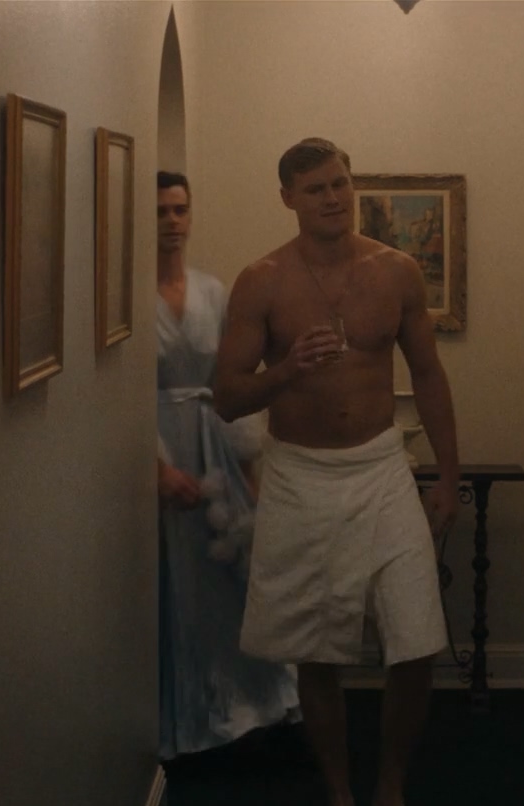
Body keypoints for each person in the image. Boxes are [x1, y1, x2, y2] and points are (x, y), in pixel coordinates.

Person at [214, 139, 460, 806]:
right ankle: (341, 792)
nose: (333, 198)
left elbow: (429, 375)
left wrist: (447, 476)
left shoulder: (396, 271)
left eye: (340, 183)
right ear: (288, 198)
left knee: (416, 639)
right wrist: (288, 369)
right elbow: (227, 396)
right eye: (316, 188)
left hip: (381, 467)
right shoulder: (262, 281)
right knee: (315, 648)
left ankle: (390, 787)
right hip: (300, 475)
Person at [154, 170, 299, 761]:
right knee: (170, 585)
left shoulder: (213, 292)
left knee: (228, 579)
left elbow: (229, 383)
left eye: (179, 209)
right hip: (160, 447)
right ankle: (180, 713)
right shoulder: (124, 296)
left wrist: (248, 470)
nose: (172, 222)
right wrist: (155, 469)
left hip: (214, 446)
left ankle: (243, 706)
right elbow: (116, 398)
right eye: (160, 211)